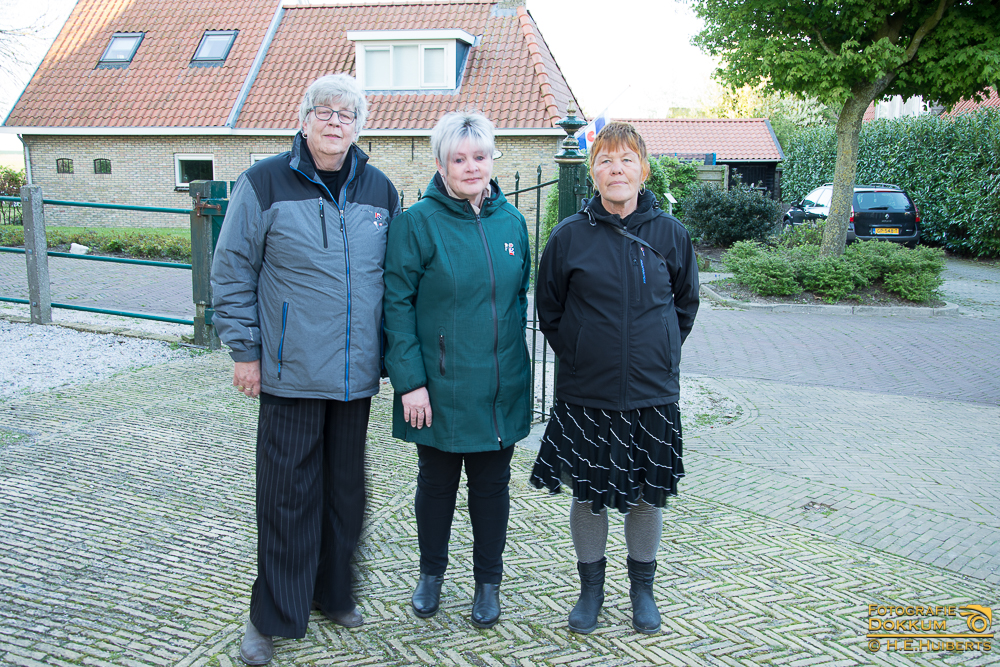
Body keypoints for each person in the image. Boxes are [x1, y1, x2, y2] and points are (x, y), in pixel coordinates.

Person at [211, 73, 400, 665]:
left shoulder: (382, 190)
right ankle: (271, 617)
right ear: (304, 118)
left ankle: (333, 593)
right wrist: (245, 351)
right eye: (325, 111)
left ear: (359, 126)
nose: (335, 122)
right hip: (289, 371)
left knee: (346, 494)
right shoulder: (264, 182)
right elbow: (232, 268)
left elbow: (396, 281)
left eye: (347, 114)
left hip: (354, 377)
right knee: (286, 499)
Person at [530, 121, 699, 635]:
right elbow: (550, 309)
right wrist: (582, 351)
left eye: (626, 160)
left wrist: (658, 350)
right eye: (606, 160)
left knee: (647, 495)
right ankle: (591, 591)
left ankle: (642, 590)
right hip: (587, 392)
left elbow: (685, 306)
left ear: (643, 170)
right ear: (593, 172)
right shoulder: (569, 236)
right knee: (588, 493)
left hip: (651, 393)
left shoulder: (671, 235)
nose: (616, 169)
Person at [383, 111, 531, 629]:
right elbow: (396, 306)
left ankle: (488, 583)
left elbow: (517, 299)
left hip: (499, 388)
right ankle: (431, 575)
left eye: (480, 156)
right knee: (437, 485)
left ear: (492, 159)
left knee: (492, 489)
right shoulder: (416, 223)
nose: (471, 167)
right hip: (438, 387)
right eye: (459, 158)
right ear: (441, 164)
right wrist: (411, 383)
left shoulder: (512, 223)